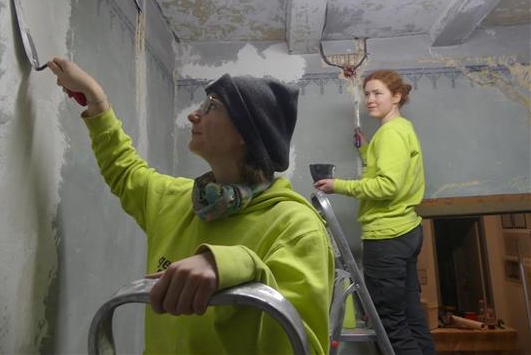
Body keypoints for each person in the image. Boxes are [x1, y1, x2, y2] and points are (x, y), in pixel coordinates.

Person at [48, 58, 334, 355]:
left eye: (212, 106)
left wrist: (237, 266)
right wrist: (95, 97)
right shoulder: (180, 200)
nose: (194, 116)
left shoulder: (297, 227)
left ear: (245, 133)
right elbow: (125, 169)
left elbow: (303, 347)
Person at [314, 70, 435, 354]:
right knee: (411, 317)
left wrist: (338, 186)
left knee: (391, 324)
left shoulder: (391, 133)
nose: (369, 99)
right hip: (406, 231)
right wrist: (368, 150)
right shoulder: (400, 129)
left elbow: (387, 186)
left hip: (387, 237)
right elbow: (388, 172)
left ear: (396, 97)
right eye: (366, 93)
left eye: (377, 93)